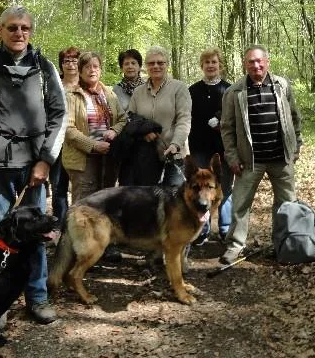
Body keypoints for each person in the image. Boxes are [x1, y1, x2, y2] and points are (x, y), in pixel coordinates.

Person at [0, 6, 66, 325]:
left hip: (34, 167)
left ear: (31, 32)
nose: (19, 33)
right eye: (12, 28)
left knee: (35, 235)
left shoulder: (45, 68)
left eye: (25, 28)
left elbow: (59, 117)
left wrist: (45, 160)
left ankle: (37, 296)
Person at [219, 45, 302, 265]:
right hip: (249, 161)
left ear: (267, 61)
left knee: (287, 204)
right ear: (245, 65)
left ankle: (283, 244)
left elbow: (294, 117)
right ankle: (235, 245)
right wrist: (232, 157)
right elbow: (226, 127)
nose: (256, 65)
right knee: (240, 203)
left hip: (281, 158)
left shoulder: (281, 85)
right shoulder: (235, 92)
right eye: (250, 62)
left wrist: (297, 145)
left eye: (259, 61)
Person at [63, 51, 127, 201]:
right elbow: (68, 129)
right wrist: (93, 145)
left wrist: (114, 130)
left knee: (105, 202)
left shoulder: (109, 94)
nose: (92, 70)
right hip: (83, 159)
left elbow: (123, 119)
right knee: (84, 204)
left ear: (100, 70)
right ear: (80, 70)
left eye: (95, 66)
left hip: (108, 157)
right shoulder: (71, 95)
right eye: (87, 67)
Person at [127, 46, 191, 186]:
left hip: (174, 155)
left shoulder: (179, 88)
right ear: (146, 67)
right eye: (151, 63)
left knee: (173, 201)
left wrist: (175, 144)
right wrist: (144, 134)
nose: (156, 66)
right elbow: (131, 119)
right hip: (146, 156)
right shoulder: (138, 92)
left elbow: (184, 120)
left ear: (167, 65)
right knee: (148, 201)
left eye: (160, 62)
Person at [188, 48, 232, 245]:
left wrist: (220, 118)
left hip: (224, 147)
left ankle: (225, 228)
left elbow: (234, 115)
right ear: (202, 66)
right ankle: (202, 229)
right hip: (199, 146)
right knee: (201, 189)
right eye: (207, 62)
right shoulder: (192, 90)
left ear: (220, 64)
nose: (211, 65)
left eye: (214, 62)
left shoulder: (229, 90)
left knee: (225, 188)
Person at [50, 46, 81, 227]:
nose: (70, 65)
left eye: (74, 61)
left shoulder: (86, 86)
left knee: (81, 187)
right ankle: (60, 228)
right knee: (59, 187)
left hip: (81, 144)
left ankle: (78, 226)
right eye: (66, 61)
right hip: (58, 144)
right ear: (61, 65)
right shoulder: (54, 86)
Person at [112, 48, 145, 113]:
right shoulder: (115, 91)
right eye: (126, 64)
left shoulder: (148, 88)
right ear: (122, 68)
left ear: (139, 67)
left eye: (133, 63)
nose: (130, 66)